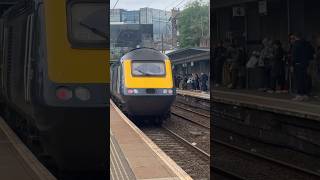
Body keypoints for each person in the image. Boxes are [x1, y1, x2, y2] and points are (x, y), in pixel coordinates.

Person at [290, 32, 315, 101]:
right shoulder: (307, 44)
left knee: (298, 80)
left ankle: (299, 95)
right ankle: (305, 95)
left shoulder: (296, 44)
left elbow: (294, 55)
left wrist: (292, 64)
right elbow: (312, 53)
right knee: (304, 79)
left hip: (298, 64)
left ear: (296, 37)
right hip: (306, 64)